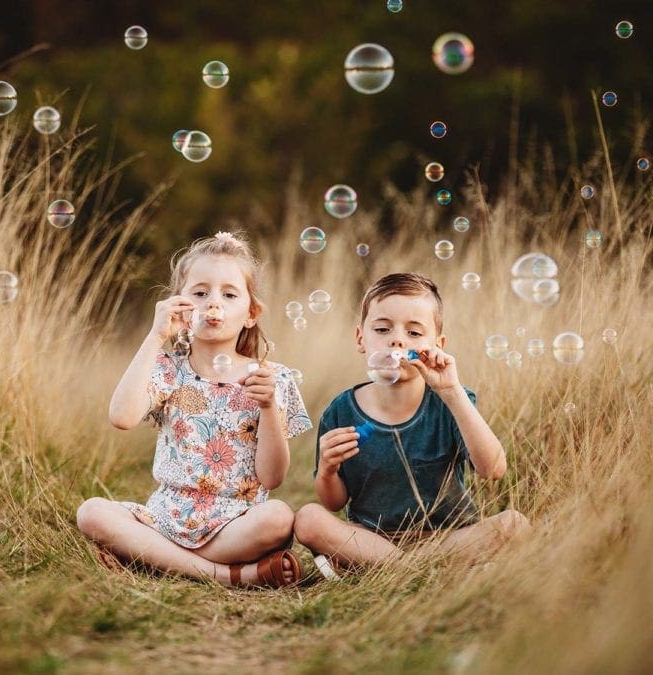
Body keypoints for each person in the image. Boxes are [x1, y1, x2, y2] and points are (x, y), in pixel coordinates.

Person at [77, 232, 311, 587]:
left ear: (251, 313)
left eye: (229, 294)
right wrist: (155, 337)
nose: (213, 304)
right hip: (165, 518)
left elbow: (273, 478)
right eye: (200, 293)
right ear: (180, 305)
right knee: (91, 512)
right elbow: (121, 417)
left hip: (234, 523)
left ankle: (154, 557)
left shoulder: (268, 378)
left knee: (278, 518)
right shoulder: (169, 370)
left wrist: (267, 408)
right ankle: (229, 575)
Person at [294, 272, 530, 574]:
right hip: (371, 539)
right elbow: (334, 503)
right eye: (382, 328)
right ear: (360, 339)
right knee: (308, 518)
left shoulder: (450, 401)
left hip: (448, 537)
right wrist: (327, 470)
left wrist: (452, 392)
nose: (397, 339)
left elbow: (493, 470)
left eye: (415, 333)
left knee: (514, 525)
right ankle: (422, 569)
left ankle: (396, 569)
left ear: (438, 345)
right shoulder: (341, 410)